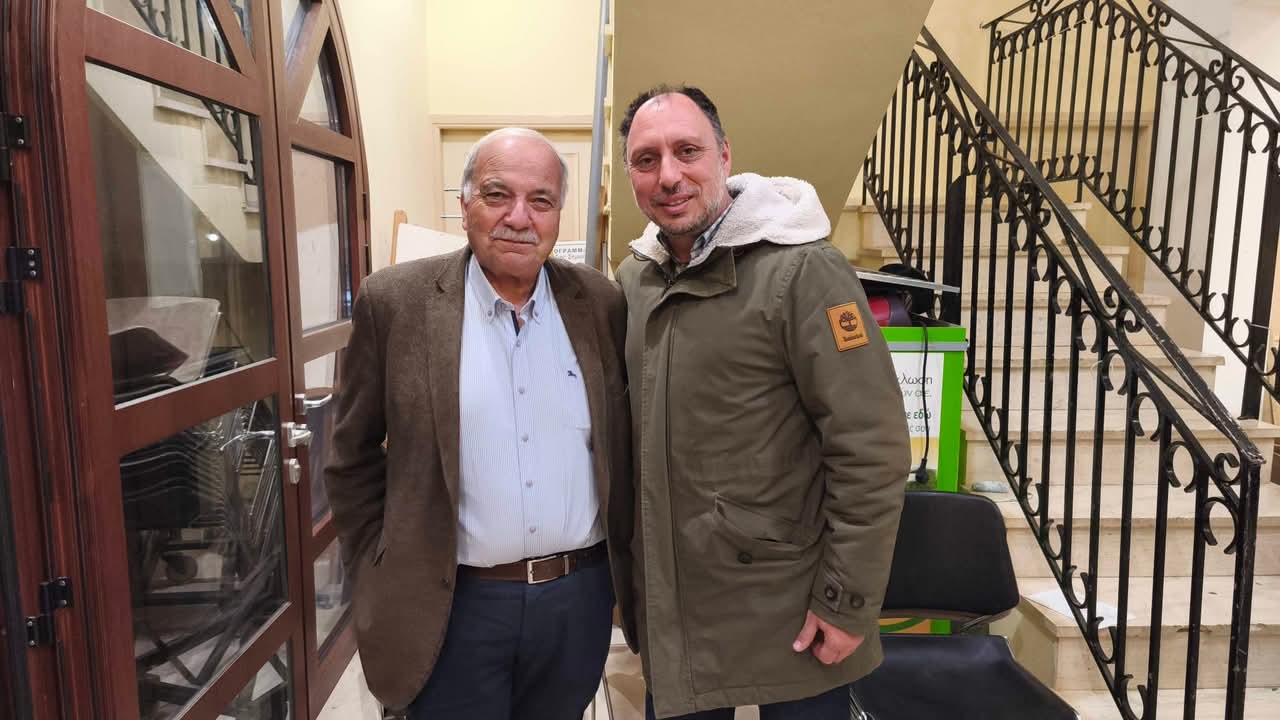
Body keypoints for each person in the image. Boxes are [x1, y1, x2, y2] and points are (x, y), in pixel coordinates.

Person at [615, 85, 911, 719]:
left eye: (687, 151)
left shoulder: (803, 272)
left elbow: (871, 447)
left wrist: (847, 602)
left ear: (724, 155)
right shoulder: (634, 281)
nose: (668, 176)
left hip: (792, 611)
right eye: (646, 159)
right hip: (677, 613)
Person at [325, 127, 635, 719]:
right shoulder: (395, 302)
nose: (519, 217)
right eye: (497, 195)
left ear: (558, 215)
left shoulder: (601, 304)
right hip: (451, 605)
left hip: (577, 603)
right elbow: (351, 458)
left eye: (540, 200)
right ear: (464, 204)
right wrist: (376, 568)